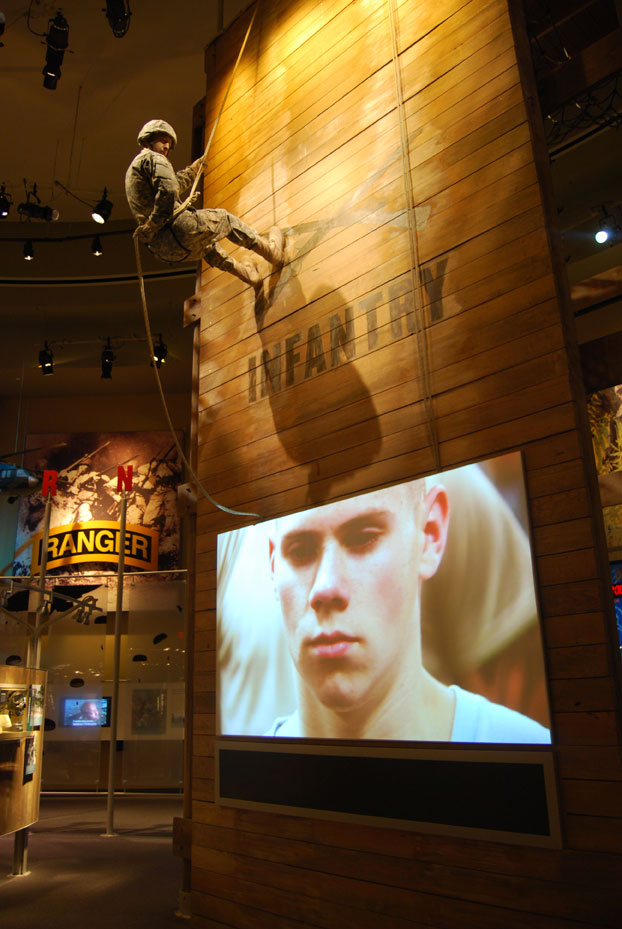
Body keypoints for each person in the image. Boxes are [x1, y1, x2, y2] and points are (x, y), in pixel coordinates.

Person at [265, 479, 551, 743]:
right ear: (273, 564)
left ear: (430, 534)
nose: (326, 587)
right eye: (300, 550)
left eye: (363, 538)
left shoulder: (525, 751)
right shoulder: (245, 774)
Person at [125, 119, 285, 290]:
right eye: (163, 140)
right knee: (225, 220)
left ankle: (249, 276)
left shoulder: (133, 171)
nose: (166, 147)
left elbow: (171, 186)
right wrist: (154, 223)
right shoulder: (152, 158)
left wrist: (193, 170)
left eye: (169, 144)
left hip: (165, 250)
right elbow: (169, 190)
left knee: (207, 246)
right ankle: (272, 253)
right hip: (177, 229)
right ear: (149, 139)